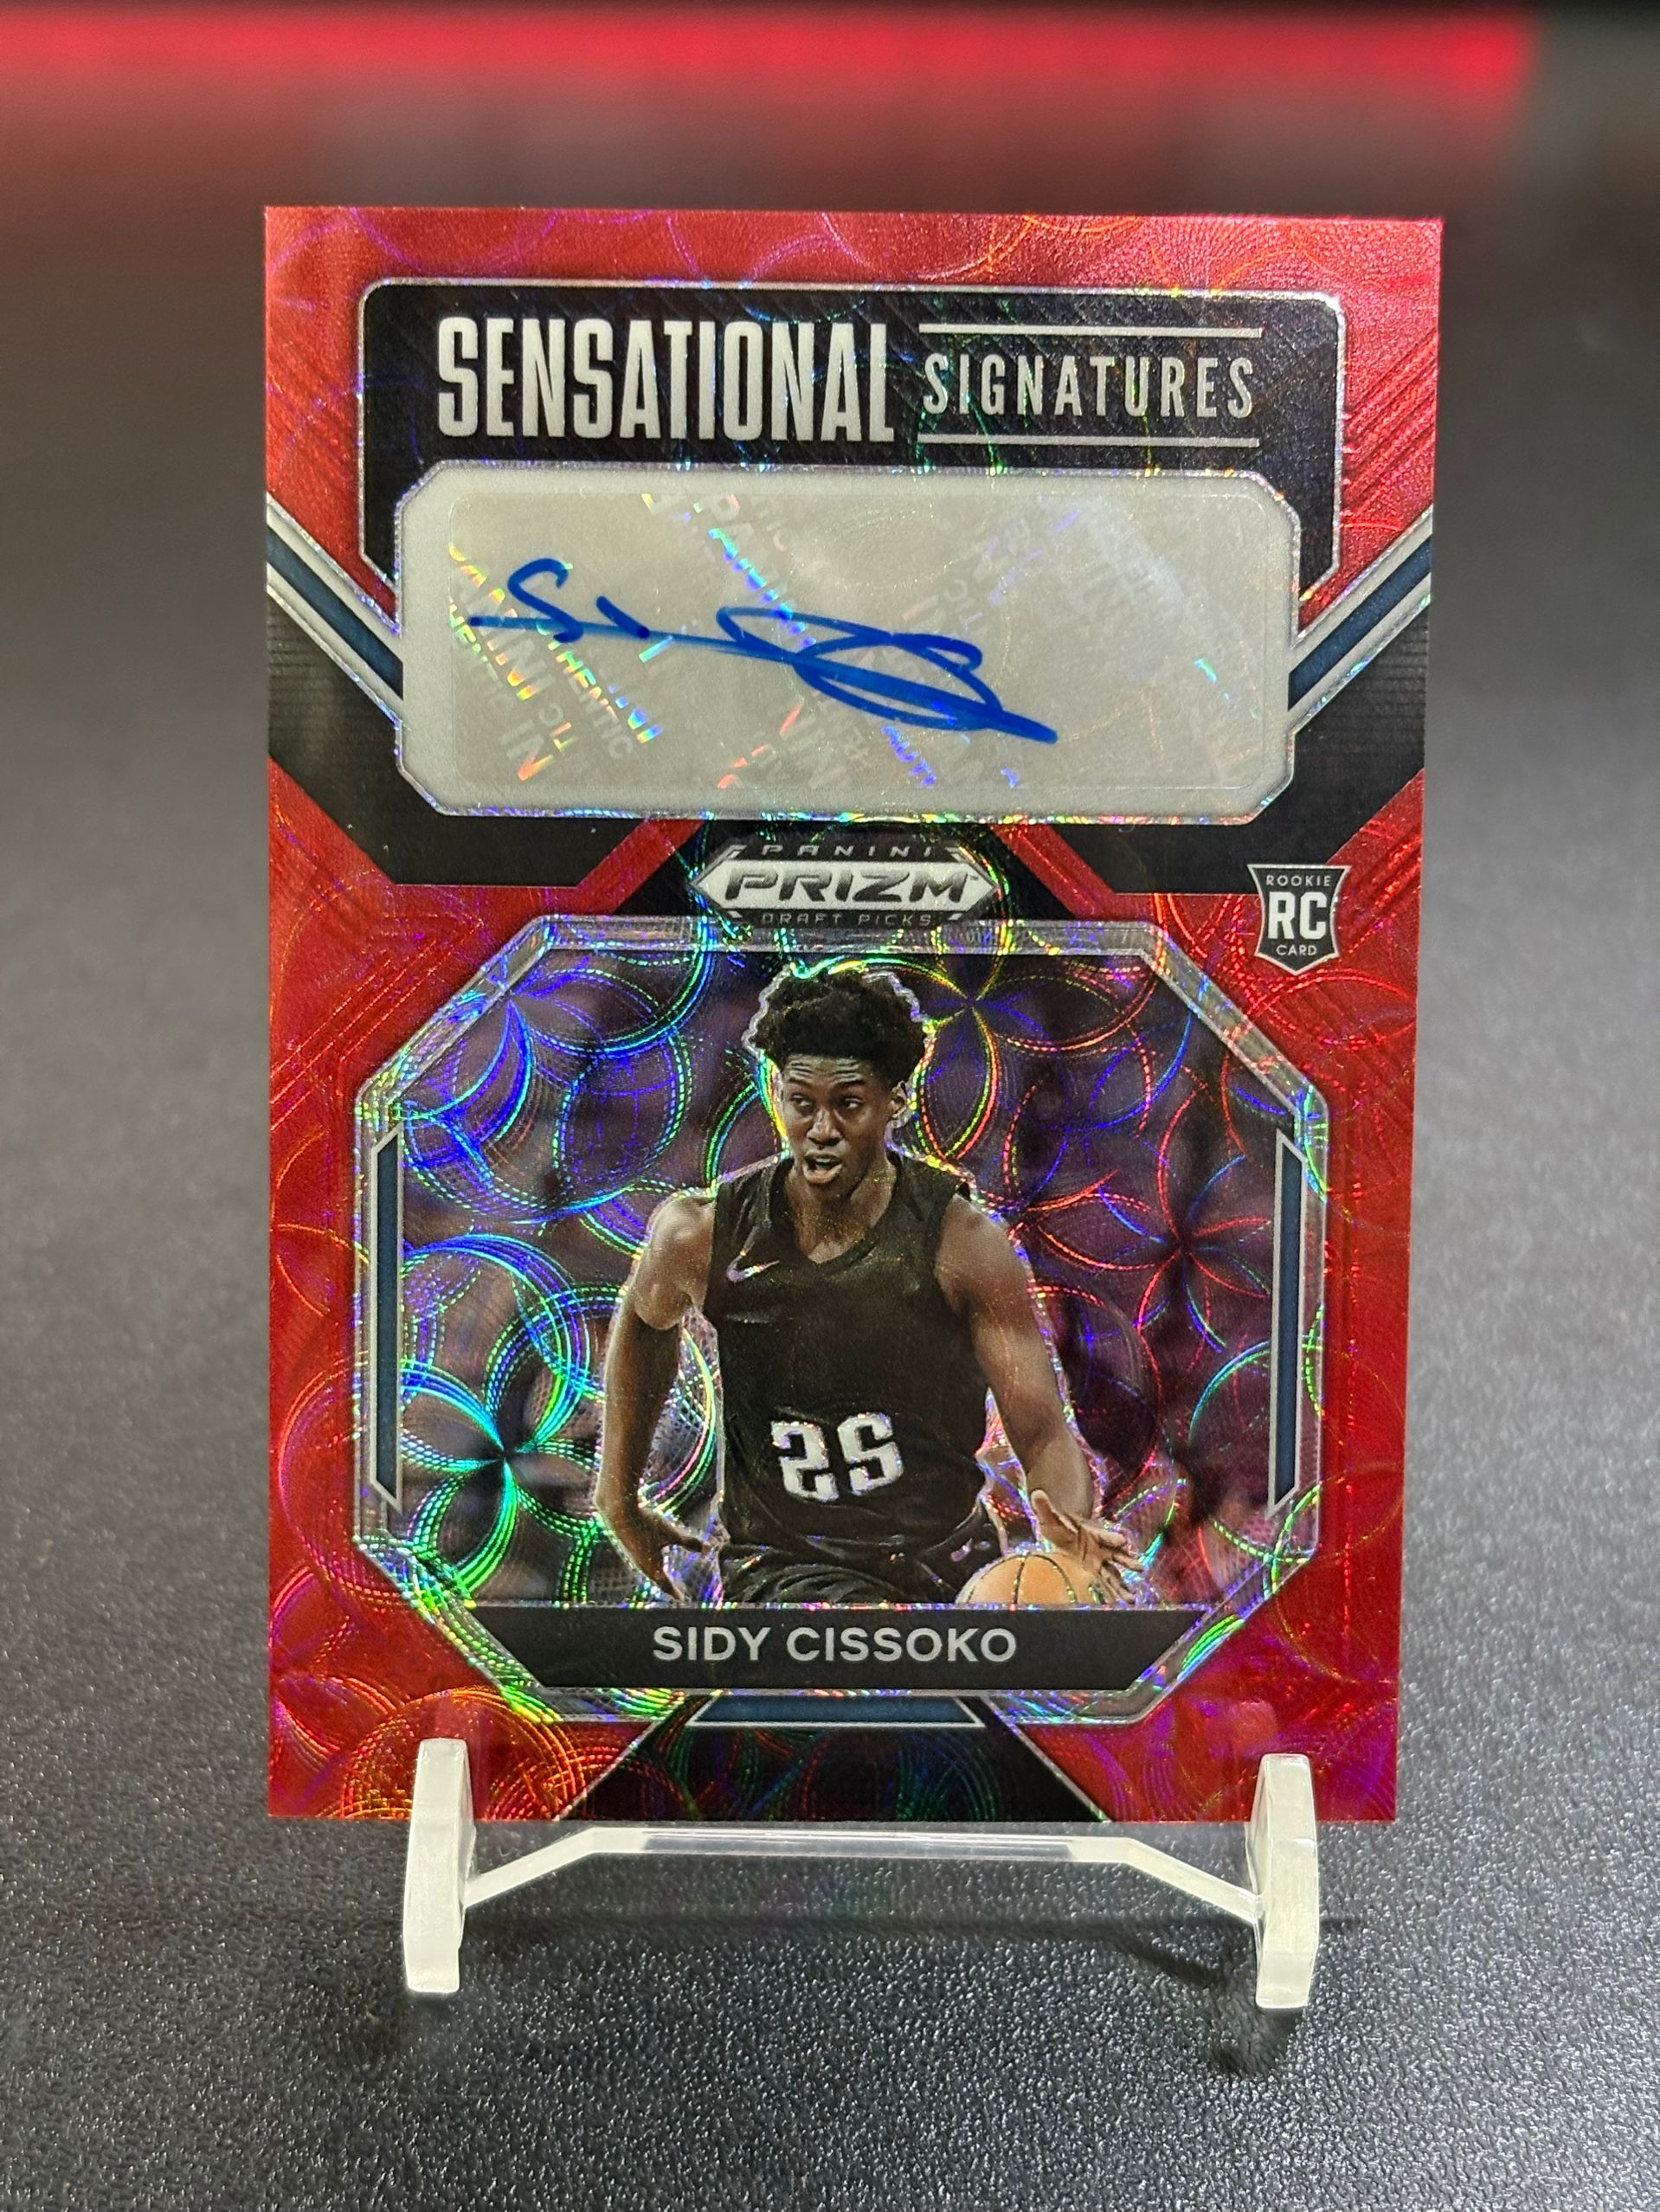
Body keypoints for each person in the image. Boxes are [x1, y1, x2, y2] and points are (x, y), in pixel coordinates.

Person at [595, 961, 1133, 1604]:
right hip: (784, 1569)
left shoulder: (963, 1244)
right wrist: (618, 1497)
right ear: (776, 1092)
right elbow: (644, 1320)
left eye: (847, 1104)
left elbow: (1042, 1432)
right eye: (802, 1103)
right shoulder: (701, 1235)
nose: (821, 1130)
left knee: (1050, 1604)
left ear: (895, 1100)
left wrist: (1068, 1529)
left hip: (947, 1560)